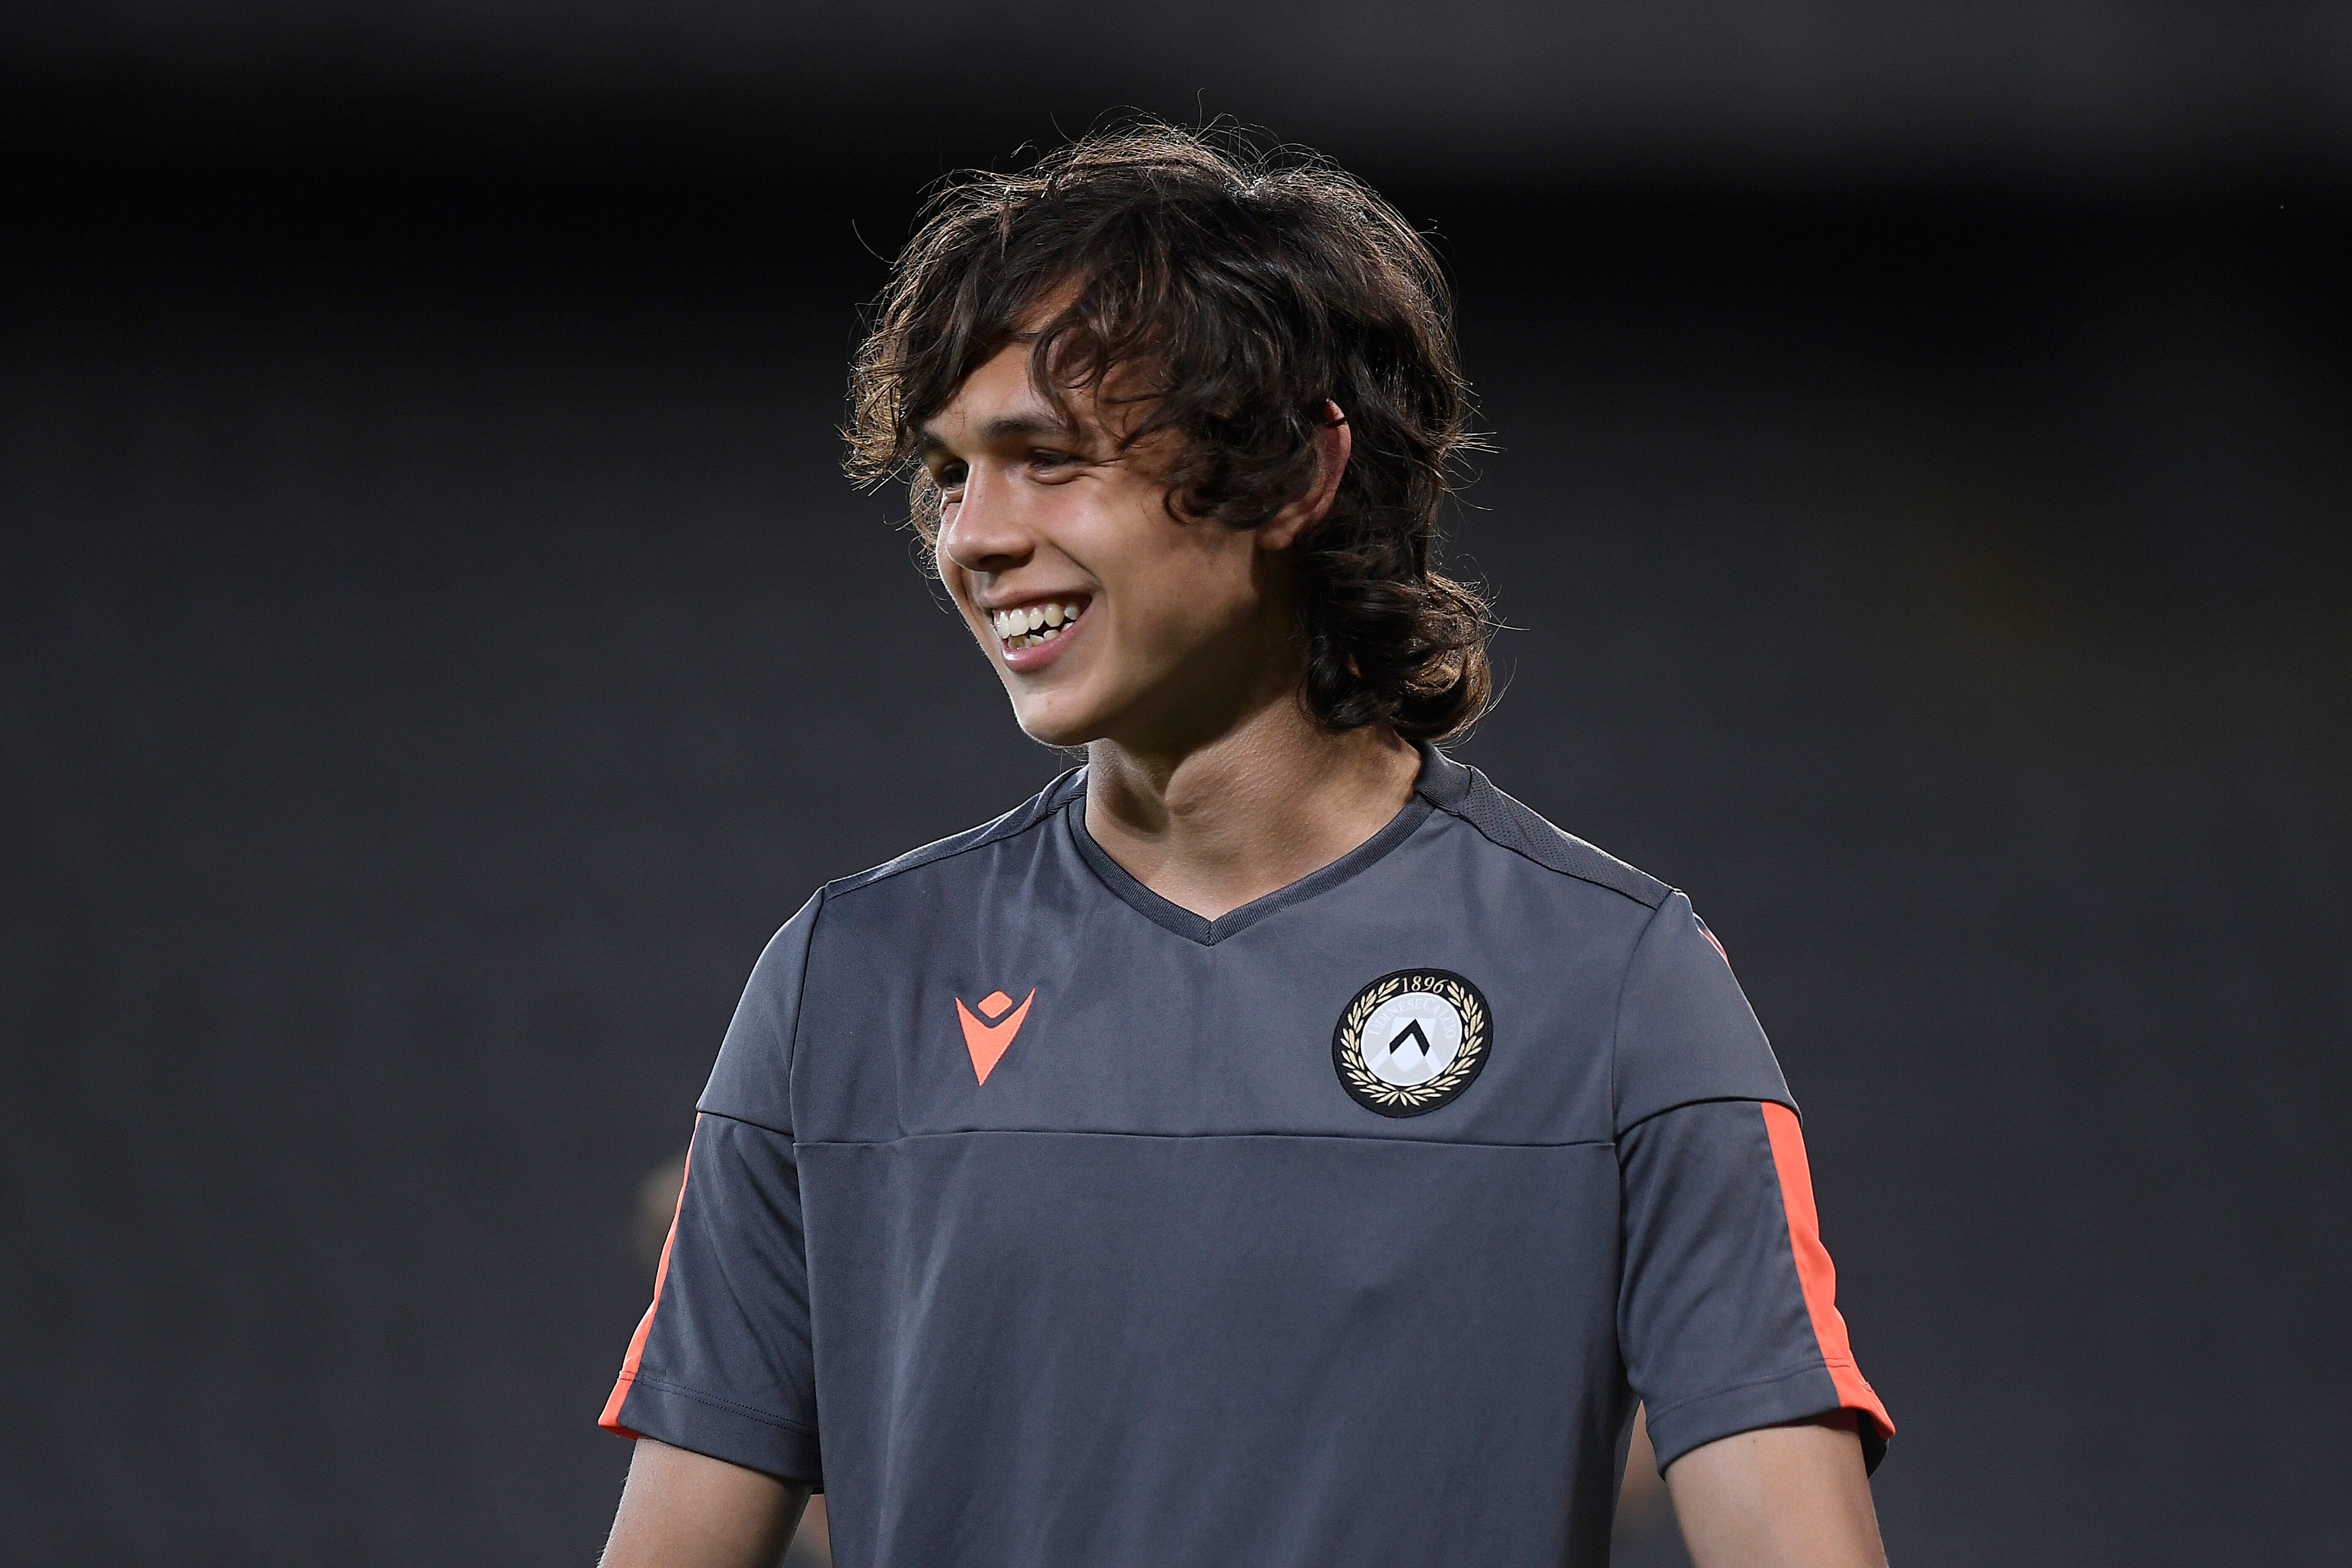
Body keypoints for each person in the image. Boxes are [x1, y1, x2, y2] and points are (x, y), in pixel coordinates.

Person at [595, 123, 1894, 1568]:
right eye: (952, 475)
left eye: (1048, 460)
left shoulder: (1615, 985)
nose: (974, 537)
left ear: (1292, 474)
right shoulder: (846, 982)